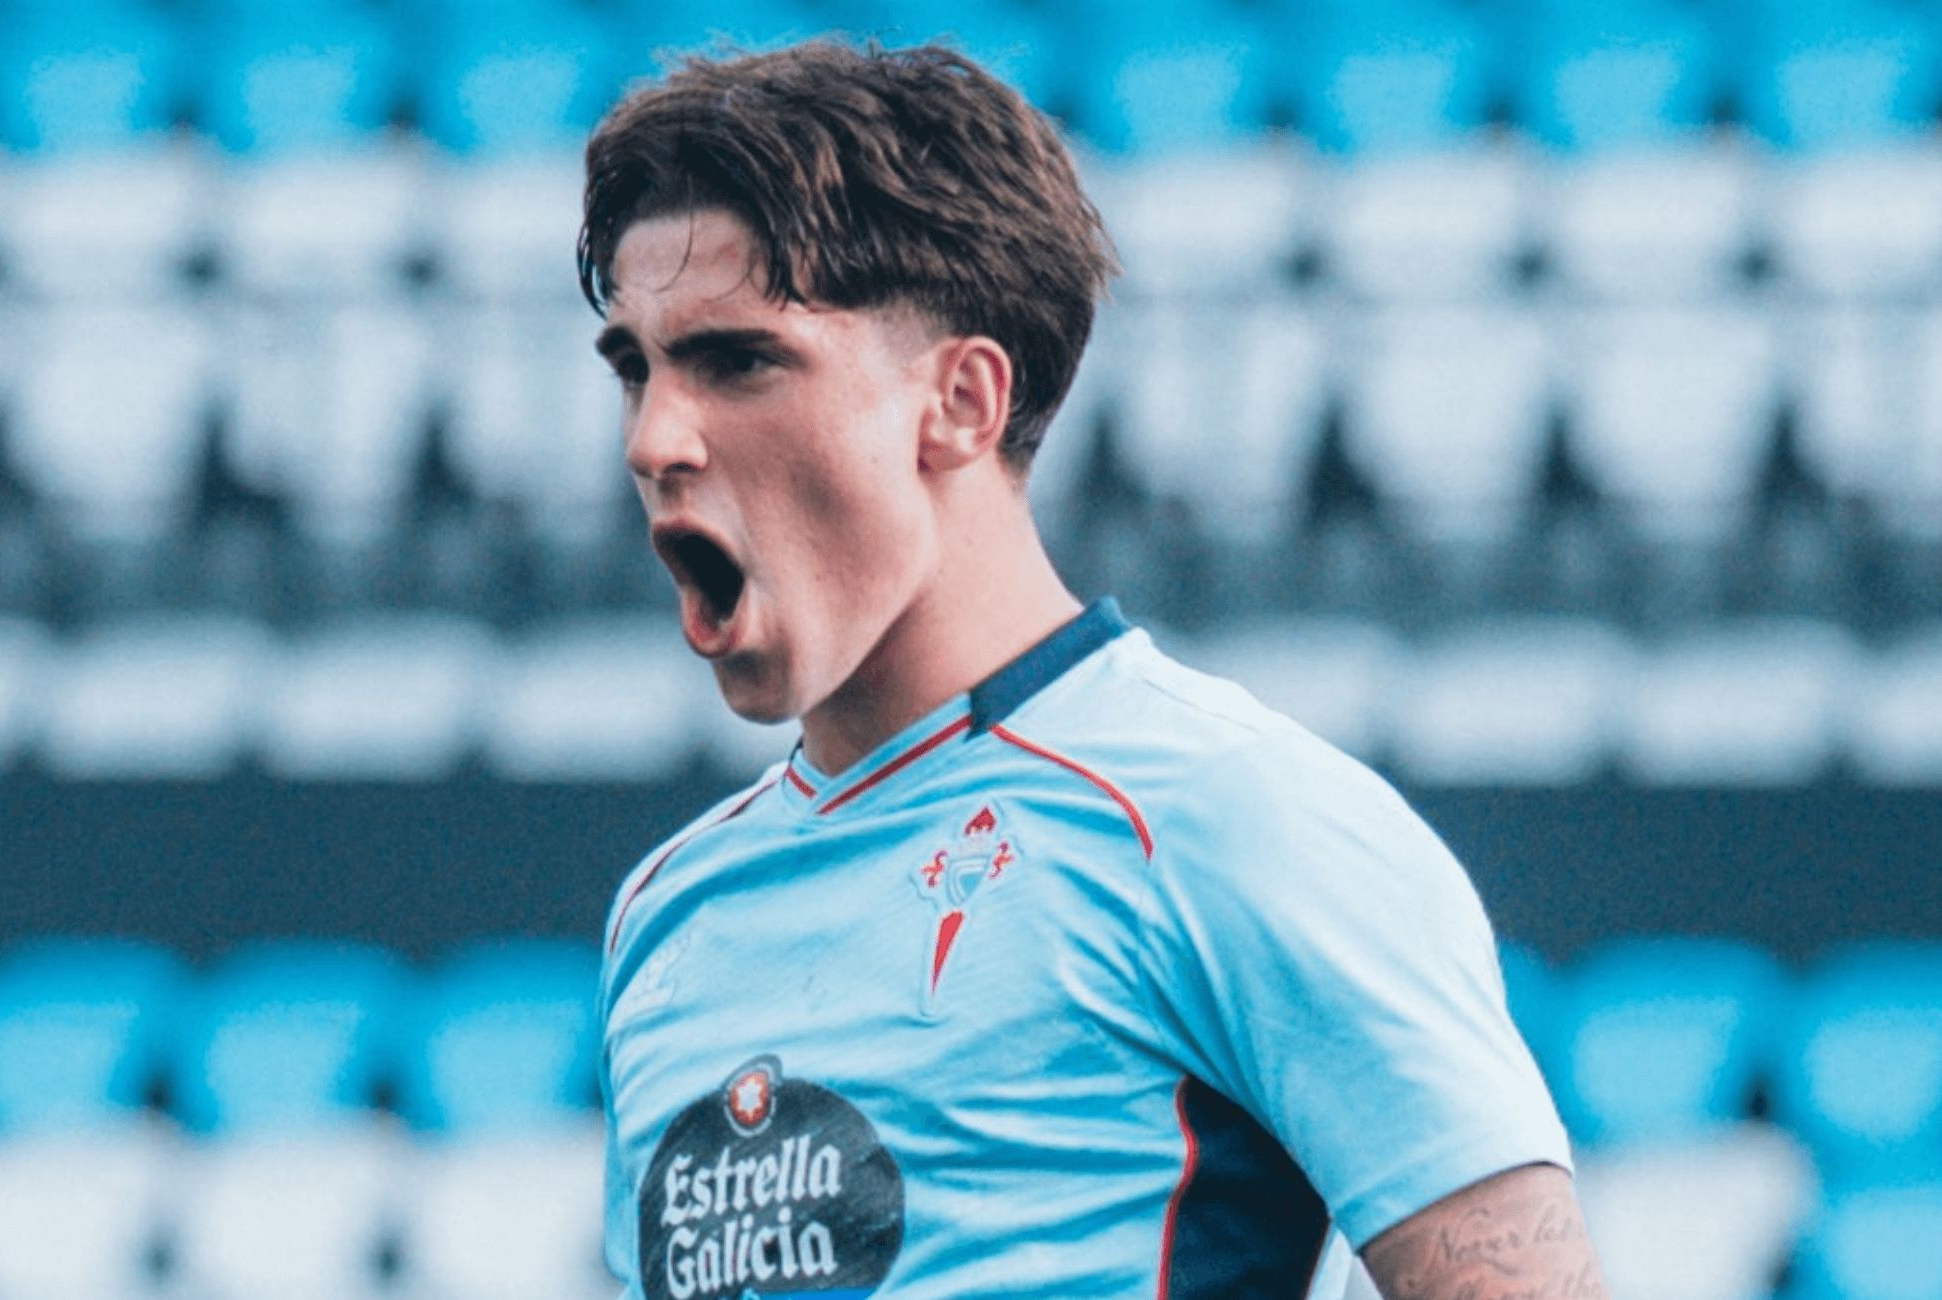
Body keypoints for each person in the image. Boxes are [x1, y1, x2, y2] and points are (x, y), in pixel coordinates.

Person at [578, 40, 1604, 1300]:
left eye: (737, 361)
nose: (653, 438)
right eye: (636, 367)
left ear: (959, 400)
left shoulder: (1232, 820)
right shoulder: (667, 913)